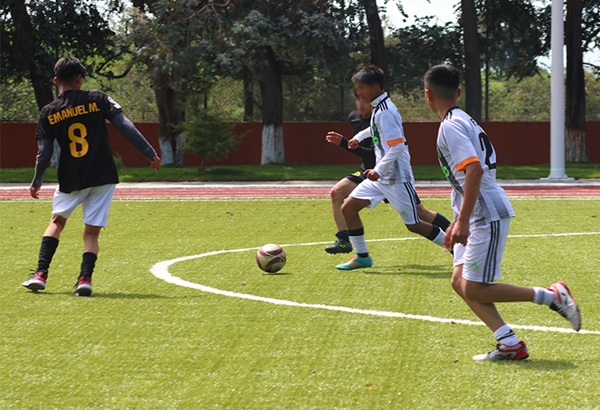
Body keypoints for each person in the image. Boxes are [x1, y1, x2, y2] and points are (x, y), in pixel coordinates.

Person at [423, 64, 581, 360]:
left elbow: (473, 169)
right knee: (460, 283)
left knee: (476, 288)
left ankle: (551, 296)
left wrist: (465, 221)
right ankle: (509, 343)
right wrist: (457, 220)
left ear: (427, 94)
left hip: (485, 213)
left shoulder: (450, 125)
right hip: (471, 210)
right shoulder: (463, 119)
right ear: (457, 92)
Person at [22, 56, 161, 297]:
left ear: (56, 80)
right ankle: (85, 280)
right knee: (91, 233)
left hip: (71, 176)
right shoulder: (97, 98)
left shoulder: (49, 111)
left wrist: (37, 180)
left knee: (57, 223)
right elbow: (124, 125)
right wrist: (149, 152)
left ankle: (40, 274)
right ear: (79, 78)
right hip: (103, 174)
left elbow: (43, 154)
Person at [328, 65, 451, 271]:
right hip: (381, 178)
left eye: (362, 88)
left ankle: (458, 250)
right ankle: (362, 257)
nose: (359, 92)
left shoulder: (385, 111)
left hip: (396, 178)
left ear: (375, 87)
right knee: (348, 208)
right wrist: (359, 137)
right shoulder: (380, 107)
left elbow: (397, 146)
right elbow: (375, 128)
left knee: (414, 224)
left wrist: (378, 170)